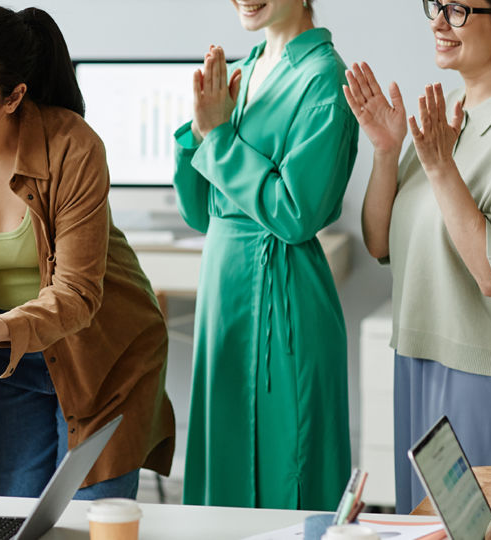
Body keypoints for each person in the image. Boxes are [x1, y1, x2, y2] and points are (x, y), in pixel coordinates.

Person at [0, 3, 175, 500]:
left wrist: (1, 325)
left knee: (89, 520)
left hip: (102, 356)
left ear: (13, 96)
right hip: (0, 359)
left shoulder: (73, 147)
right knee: (11, 518)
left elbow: (79, 292)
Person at [342, 0, 491, 514]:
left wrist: (440, 168)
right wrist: (387, 151)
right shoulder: (450, 110)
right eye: (435, 5)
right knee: (421, 525)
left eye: (456, 10)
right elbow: (381, 242)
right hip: (420, 356)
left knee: (481, 530)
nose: (437, 22)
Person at [172, 0, 357, 510]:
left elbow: (297, 212)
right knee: (222, 462)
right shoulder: (244, 69)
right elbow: (201, 210)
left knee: (286, 471)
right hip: (223, 288)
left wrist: (219, 139)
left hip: (281, 295)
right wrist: (200, 130)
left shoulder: (324, 80)